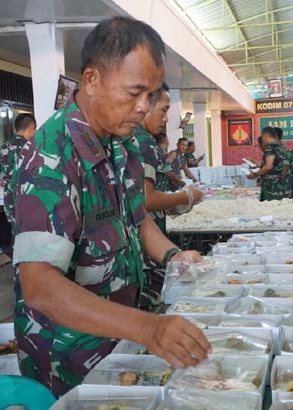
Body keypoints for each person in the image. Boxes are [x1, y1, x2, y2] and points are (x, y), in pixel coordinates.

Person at [12, 16, 210, 396]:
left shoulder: (124, 142)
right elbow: (39, 287)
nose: (143, 107)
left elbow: (138, 221)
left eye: (151, 95)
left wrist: (174, 257)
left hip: (119, 339)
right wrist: (146, 328)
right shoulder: (52, 153)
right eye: (134, 92)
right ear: (92, 80)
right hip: (68, 357)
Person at [134, 82, 203, 310]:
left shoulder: (132, 142)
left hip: (147, 241)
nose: (166, 119)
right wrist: (185, 197)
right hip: (145, 250)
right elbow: (146, 200)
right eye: (163, 110)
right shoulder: (144, 143)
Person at [0, 113, 37, 231]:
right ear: (31, 129)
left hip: (11, 203)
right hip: (30, 201)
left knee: (17, 238)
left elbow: (0, 181)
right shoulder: (33, 148)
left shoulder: (3, 148)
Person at [247, 127, 289, 201]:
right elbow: (276, 165)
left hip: (272, 186)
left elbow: (268, 166)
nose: (262, 140)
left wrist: (255, 175)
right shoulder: (283, 147)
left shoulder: (271, 147)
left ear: (266, 136)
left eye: (262, 137)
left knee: (270, 209)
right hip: (283, 184)